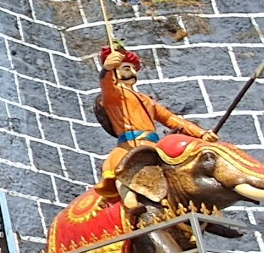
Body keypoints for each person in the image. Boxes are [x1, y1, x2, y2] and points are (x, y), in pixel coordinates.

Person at [93, 46, 217, 196]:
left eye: (133, 69)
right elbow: (106, 86)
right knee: (123, 170)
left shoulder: (147, 100)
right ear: (115, 72)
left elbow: (170, 118)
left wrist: (202, 134)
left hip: (155, 146)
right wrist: (106, 69)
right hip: (131, 145)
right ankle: (129, 199)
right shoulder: (114, 95)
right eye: (126, 68)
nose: (132, 73)